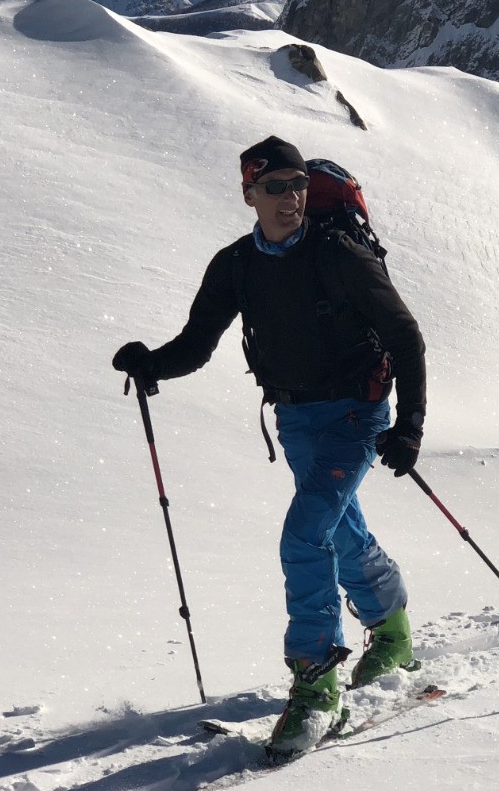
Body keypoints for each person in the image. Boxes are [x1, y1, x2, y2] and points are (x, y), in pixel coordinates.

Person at [112, 135, 426, 757]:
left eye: (300, 185)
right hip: (295, 418)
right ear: (249, 192)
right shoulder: (236, 265)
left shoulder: (336, 253)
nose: (292, 198)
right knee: (334, 528)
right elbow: (197, 343)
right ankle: (391, 628)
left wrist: (409, 423)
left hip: (356, 414)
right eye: (277, 187)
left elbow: (405, 335)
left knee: (304, 532)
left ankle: (316, 685)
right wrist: (151, 363)